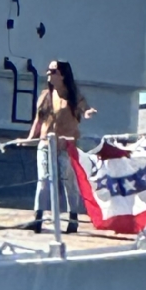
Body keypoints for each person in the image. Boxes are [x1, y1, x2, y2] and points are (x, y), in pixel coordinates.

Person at [25, 59, 95, 234]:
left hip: (66, 146)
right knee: (43, 180)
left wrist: (87, 112)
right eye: (48, 70)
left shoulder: (73, 96)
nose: (49, 74)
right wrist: (29, 138)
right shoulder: (45, 96)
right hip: (45, 144)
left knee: (68, 182)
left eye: (53, 71)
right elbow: (38, 120)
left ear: (63, 75)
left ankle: (73, 219)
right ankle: (38, 218)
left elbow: (84, 108)